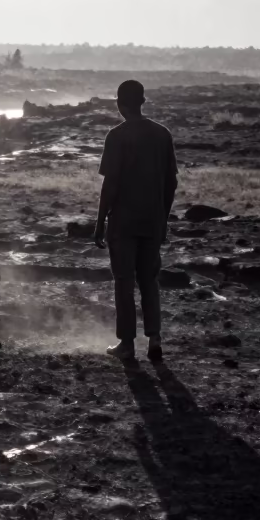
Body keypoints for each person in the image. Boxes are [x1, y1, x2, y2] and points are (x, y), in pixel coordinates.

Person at [94, 80, 178, 362]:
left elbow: (111, 184)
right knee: (149, 281)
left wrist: (99, 222)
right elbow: (172, 182)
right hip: (152, 221)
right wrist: (163, 219)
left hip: (124, 222)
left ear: (120, 103)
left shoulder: (117, 136)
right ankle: (154, 338)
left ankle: (127, 344)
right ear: (142, 102)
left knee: (124, 282)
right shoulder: (162, 134)